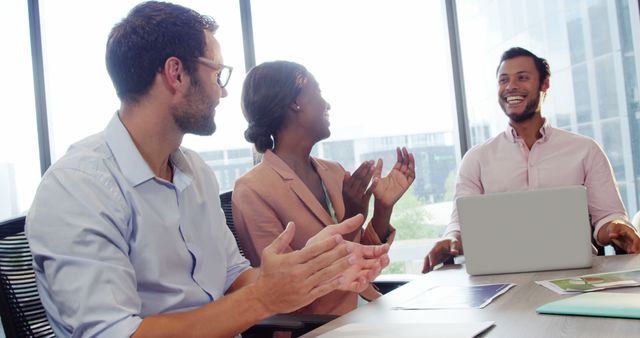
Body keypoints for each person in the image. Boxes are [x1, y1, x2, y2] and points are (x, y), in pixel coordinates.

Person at [25, 2, 390, 337]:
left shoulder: (194, 172)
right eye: (217, 74)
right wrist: (262, 299)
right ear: (176, 74)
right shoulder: (78, 189)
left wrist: (311, 272)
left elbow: (233, 275)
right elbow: (111, 334)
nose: (222, 93)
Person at [422, 47, 640, 273]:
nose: (511, 86)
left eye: (522, 78)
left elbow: (607, 217)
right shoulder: (476, 158)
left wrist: (617, 226)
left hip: (575, 275)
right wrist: (451, 238)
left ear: (545, 84)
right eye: (503, 80)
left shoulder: (585, 150)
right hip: (496, 277)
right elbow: (460, 223)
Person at [233, 60, 415, 315]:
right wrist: (349, 217)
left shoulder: (333, 172)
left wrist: (383, 208)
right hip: (318, 324)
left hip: (367, 310)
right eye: (317, 92)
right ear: (295, 102)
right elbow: (284, 290)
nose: (326, 104)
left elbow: (366, 265)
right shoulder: (252, 190)